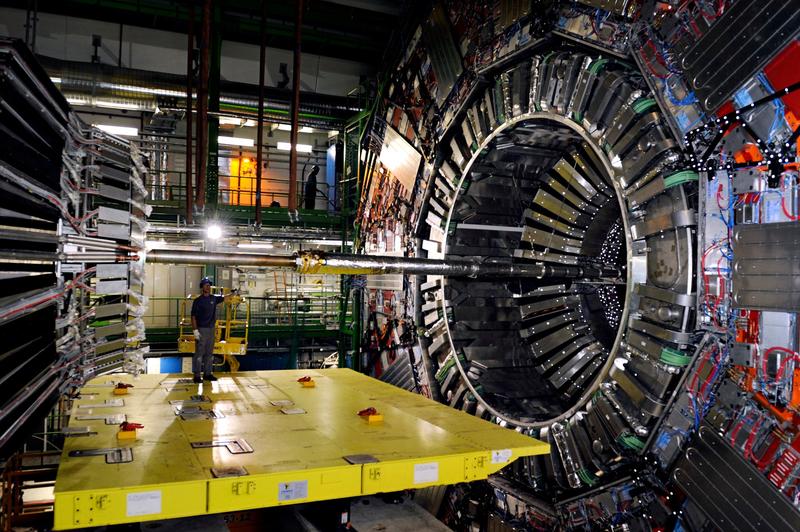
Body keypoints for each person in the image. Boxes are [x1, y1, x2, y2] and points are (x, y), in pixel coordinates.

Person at [191, 277, 233, 383]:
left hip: (211, 329)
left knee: (209, 354)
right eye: (206, 285)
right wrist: (195, 330)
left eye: (209, 285)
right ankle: (196, 376)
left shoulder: (213, 298)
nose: (208, 287)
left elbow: (225, 297)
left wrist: (234, 293)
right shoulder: (198, 301)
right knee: (199, 353)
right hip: (201, 329)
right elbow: (193, 317)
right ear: (202, 287)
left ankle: (207, 374)